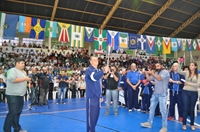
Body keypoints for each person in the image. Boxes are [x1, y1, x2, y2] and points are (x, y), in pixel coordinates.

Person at [3, 57, 31, 132]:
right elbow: (13, 80)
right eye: (22, 63)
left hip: (20, 95)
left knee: (17, 113)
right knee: (12, 113)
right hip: (13, 95)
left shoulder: (23, 72)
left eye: (24, 63)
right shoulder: (12, 71)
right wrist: (25, 79)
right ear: (17, 63)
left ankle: (17, 129)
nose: (23, 64)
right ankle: (6, 130)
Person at [141, 62, 169, 132]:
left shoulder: (165, 72)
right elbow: (149, 79)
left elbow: (159, 78)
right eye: (156, 66)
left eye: (158, 66)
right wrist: (146, 73)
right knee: (151, 109)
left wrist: (152, 73)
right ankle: (149, 123)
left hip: (162, 94)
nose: (157, 67)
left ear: (162, 66)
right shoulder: (156, 72)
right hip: (155, 94)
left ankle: (164, 127)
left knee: (163, 110)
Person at [85, 56, 109, 132]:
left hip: (97, 97)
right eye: (94, 60)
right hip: (91, 97)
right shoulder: (89, 70)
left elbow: (99, 85)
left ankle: (93, 130)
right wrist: (103, 71)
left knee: (96, 116)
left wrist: (100, 95)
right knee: (91, 118)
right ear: (91, 62)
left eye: (97, 60)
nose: (96, 61)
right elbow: (93, 77)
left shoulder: (97, 70)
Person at [177, 61, 200, 130]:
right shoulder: (186, 73)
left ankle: (192, 124)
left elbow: (197, 85)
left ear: (195, 67)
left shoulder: (198, 76)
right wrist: (179, 63)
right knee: (185, 108)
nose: (190, 66)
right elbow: (179, 71)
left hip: (194, 92)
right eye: (190, 65)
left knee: (192, 109)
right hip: (185, 92)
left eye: (192, 65)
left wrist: (188, 83)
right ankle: (184, 124)